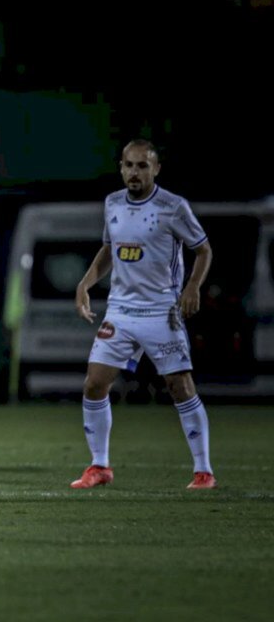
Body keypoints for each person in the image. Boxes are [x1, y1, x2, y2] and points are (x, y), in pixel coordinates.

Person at [71, 139, 216, 490]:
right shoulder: (113, 203)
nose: (134, 173)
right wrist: (85, 284)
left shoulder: (173, 207)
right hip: (120, 310)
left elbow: (203, 250)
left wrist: (192, 287)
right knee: (94, 383)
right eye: (128, 165)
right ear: (120, 167)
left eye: (142, 166)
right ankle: (100, 466)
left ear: (156, 169)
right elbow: (110, 249)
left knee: (179, 386)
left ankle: (203, 471)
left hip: (160, 311)